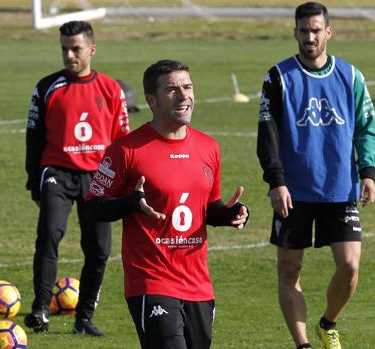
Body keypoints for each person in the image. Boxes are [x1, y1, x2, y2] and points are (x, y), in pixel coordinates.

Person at [83, 59, 249, 349]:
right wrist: (131, 203)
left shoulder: (209, 147)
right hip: (152, 280)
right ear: (151, 100)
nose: (184, 95)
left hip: (198, 283)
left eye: (188, 87)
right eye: (172, 89)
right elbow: (92, 207)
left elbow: (208, 208)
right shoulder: (125, 150)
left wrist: (230, 214)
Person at [256, 2, 375, 349]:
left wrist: (367, 171)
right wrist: (276, 181)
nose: (309, 37)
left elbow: (366, 127)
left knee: (350, 267)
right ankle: (304, 344)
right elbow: (268, 133)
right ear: (295, 32)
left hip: (340, 188)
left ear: (328, 32)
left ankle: (328, 323)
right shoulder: (278, 77)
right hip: (293, 191)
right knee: (290, 270)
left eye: (315, 30)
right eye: (303, 31)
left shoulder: (351, 76)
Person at [24, 20, 129, 336]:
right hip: (57, 172)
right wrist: (34, 179)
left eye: (76, 49)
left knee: (98, 249)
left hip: (98, 179)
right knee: (49, 234)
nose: (69, 56)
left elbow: (122, 140)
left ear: (91, 49)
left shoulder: (111, 89)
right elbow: (34, 136)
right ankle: (40, 309)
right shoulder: (46, 87)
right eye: (64, 49)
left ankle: (83, 319)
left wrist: (121, 183)